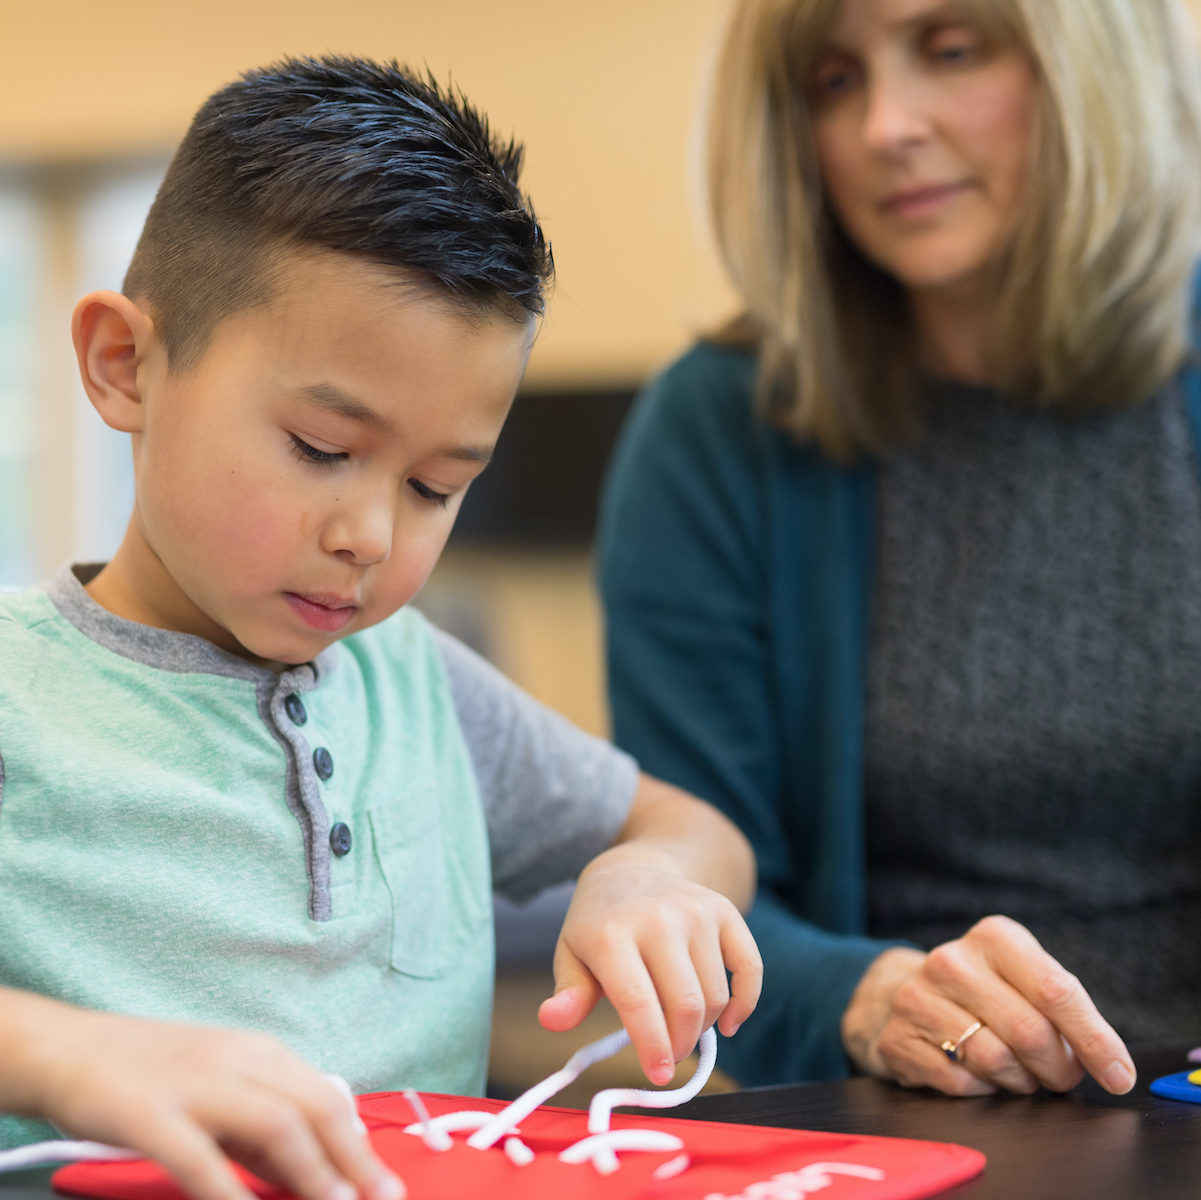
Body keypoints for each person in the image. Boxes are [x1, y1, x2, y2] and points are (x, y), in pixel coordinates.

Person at [0, 55, 764, 1200]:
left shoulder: (414, 681)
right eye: (321, 448)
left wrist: (649, 877)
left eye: (436, 487)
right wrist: (63, 1055)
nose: (369, 533)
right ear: (125, 367)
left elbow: (693, 827)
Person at [598, 0, 1201, 1101]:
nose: (884, 127)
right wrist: (863, 999)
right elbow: (697, 905)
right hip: (906, 1123)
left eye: (951, 49)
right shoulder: (712, 434)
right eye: (833, 81)